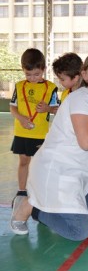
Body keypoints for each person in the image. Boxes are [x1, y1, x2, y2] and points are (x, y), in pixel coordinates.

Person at [10, 52, 88, 241]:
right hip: (58, 171)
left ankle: (49, 203)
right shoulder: (80, 99)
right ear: (84, 75)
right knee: (79, 232)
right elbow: (86, 143)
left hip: (80, 172)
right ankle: (34, 207)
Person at [10, 48, 59, 201]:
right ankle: (22, 190)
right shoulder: (19, 86)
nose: (32, 78)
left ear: (43, 69)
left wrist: (48, 108)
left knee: (40, 164)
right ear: (23, 70)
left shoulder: (50, 88)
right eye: (28, 74)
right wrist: (21, 118)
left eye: (36, 74)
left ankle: (40, 190)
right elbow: (13, 106)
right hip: (22, 132)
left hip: (40, 134)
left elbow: (57, 109)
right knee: (23, 161)